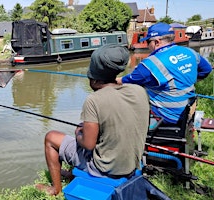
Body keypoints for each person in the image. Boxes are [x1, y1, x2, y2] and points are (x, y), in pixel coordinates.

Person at [35, 44, 150, 196]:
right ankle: (72, 174)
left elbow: (88, 145)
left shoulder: (94, 100)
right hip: (131, 165)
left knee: (51, 138)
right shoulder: (139, 90)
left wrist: (78, 132)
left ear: (94, 79)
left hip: (105, 169)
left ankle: (55, 189)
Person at [116, 22, 212, 124]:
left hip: (166, 116)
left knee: (123, 109)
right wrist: (186, 79)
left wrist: (110, 80)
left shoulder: (150, 64)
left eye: (148, 42)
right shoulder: (189, 52)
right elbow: (207, 69)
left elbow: (126, 81)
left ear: (156, 42)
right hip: (189, 110)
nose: (147, 45)